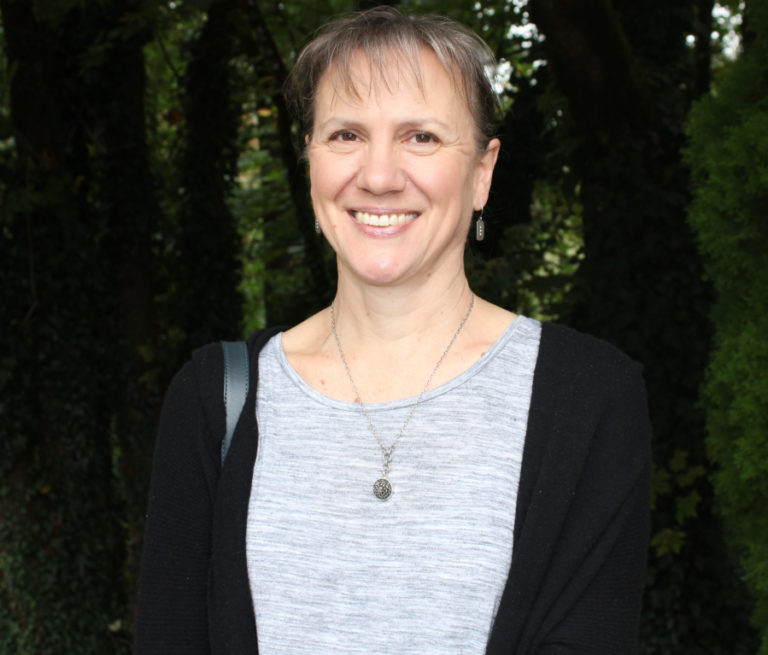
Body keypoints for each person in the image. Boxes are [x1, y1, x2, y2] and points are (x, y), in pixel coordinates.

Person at [135, 7, 651, 654]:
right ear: (310, 160)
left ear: (483, 172)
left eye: (422, 137)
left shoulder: (590, 399)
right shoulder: (215, 401)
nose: (378, 176)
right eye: (346, 135)